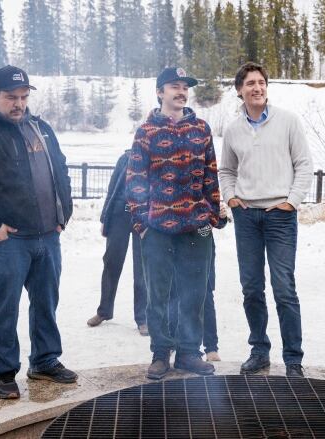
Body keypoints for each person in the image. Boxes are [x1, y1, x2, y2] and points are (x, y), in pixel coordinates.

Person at [0, 65, 76, 399]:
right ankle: (4, 372)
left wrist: (64, 211)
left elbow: (60, 169)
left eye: (23, 97)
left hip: (47, 235)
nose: (19, 103)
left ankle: (45, 361)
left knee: (46, 302)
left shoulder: (41, 128)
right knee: (5, 306)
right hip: (6, 241)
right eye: (11, 97)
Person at [219, 62, 314, 377]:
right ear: (240, 90)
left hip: (279, 217)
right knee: (251, 287)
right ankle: (259, 350)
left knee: (284, 287)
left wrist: (291, 201)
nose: (256, 88)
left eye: (261, 82)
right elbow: (226, 169)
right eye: (250, 83)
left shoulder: (288, 121)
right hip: (246, 216)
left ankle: (293, 359)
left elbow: (303, 165)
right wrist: (231, 197)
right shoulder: (233, 129)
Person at [126, 67, 221, 380]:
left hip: (195, 228)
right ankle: (160, 354)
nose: (181, 92)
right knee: (159, 295)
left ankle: (189, 353)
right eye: (174, 87)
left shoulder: (202, 129)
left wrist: (210, 212)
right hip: (158, 230)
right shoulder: (146, 132)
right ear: (159, 92)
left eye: (184, 87)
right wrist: (143, 224)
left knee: (194, 293)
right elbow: (135, 181)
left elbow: (211, 175)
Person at [87, 149, 148, 336]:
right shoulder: (125, 157)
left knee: (142, 268)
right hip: (120, 215)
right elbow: (113, 189)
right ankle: (104, 311)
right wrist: (105, 219)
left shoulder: (158, 157)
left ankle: (143, 318)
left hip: (145, 218)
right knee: (111, 263)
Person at [168, 206, 227, 361]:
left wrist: (220, 215)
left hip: (202, 240)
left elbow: (219, 221)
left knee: (205, 295)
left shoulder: (206, 183)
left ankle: (211, 347)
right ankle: (171, 342)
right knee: (173, 293)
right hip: (175, 237)